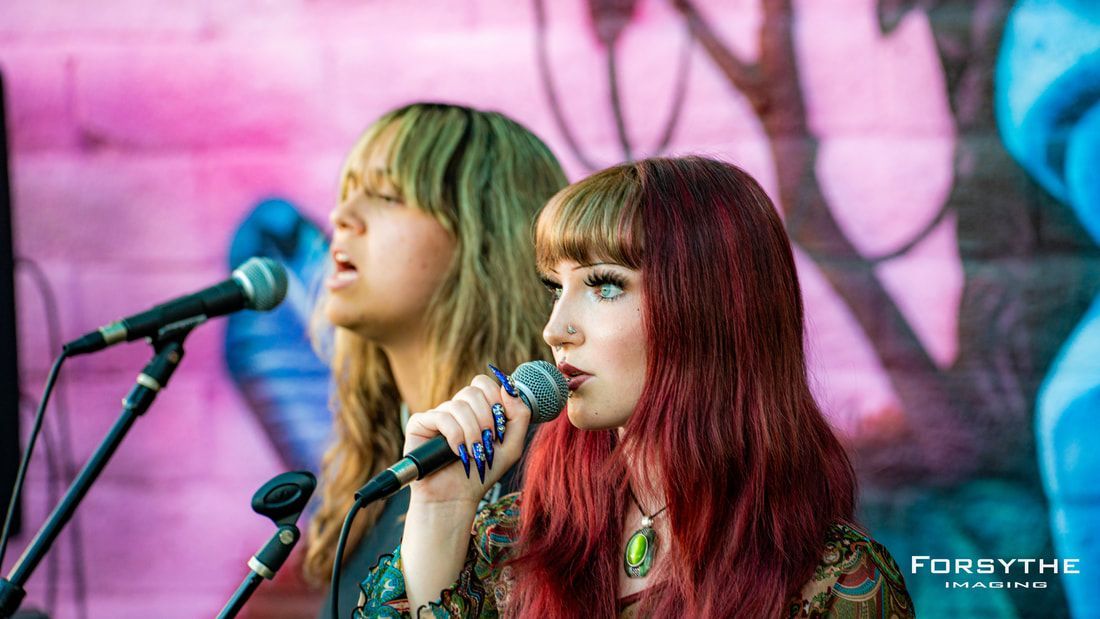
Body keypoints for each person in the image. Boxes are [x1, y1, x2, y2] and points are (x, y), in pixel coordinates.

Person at [355, 156, 916, 617]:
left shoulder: (836, 581)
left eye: (603, 285)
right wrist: (440, 512)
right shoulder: (511, 540)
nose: (555, 330)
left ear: (710, 310)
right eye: (556, 287)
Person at [302, 102, 568, 617]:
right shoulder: (381, 472)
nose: (340, 217)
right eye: (346, 191)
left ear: (484, 238)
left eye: (384, 194)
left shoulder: (546, 475)